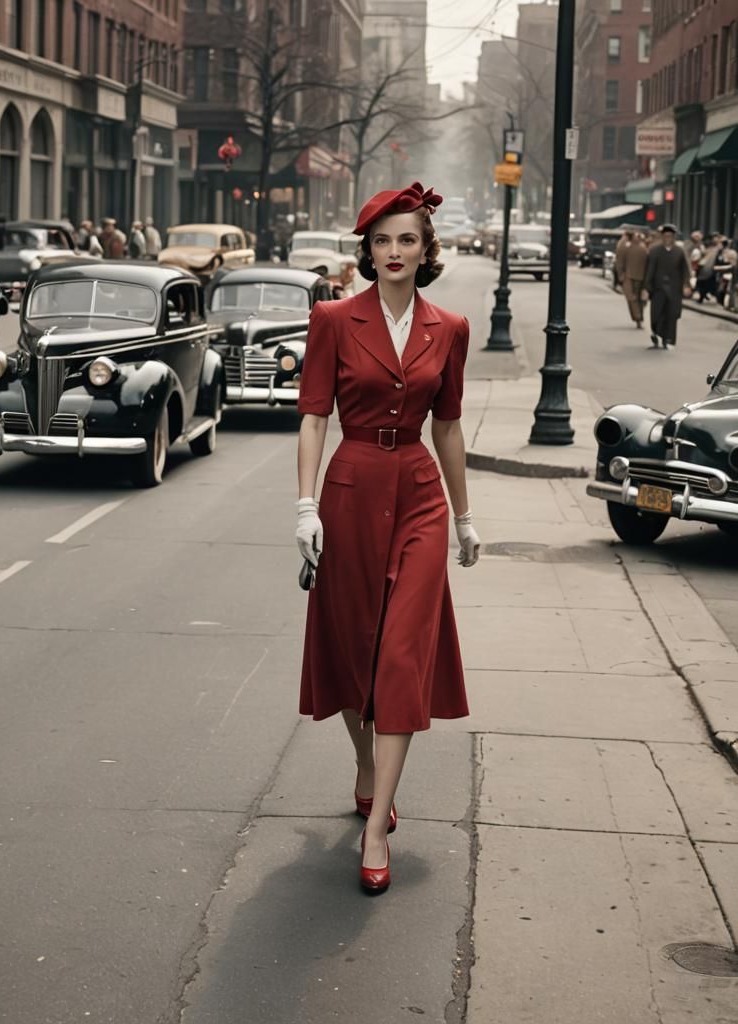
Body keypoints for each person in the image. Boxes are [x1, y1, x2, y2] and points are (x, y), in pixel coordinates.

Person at [294, 182, 478, 895]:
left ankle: (375, 832)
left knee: (401, 654)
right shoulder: (334, 319)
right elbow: (314, 417)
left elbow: (450, 426)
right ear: (366, 250)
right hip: (350, 488)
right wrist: (304, 507)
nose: (394, 252)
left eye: (407, 239)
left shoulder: (452, 327)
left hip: (420, 496)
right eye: (381, 240)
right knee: (351, 644)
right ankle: (369, 768)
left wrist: (464, 516)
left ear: (426, 248)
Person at [643, 223, 689, 349]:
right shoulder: (654, 251)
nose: (667, 239)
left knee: (671, 315)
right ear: (662, 237)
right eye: (665, 236)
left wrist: (686, 285)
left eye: (670, 236)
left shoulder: (679, 252)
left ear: (673, 237)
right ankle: (656, 333)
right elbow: (649, 270)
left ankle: (666, 339)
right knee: (656, 314)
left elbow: (685, 270)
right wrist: (646, 288)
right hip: (658, 289)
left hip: (674, 289)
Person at [622, 230, 648, 329]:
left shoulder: (627, 247)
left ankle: (638, 318)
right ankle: (639, 317)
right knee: (640, 299)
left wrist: (621, 274)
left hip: (630, 276)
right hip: (642, 277)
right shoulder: (644, 248)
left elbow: (621, 261)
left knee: (633, 298)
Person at [694, 233, 722, 303]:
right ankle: (703, 296)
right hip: (705, 267)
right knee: (704, 283)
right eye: (714, 238)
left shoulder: (718, 248)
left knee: (709, 284)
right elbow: (704, 254)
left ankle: (704, 296)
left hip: (711, 268)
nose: (715, 239)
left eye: (717, 238)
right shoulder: (709, 246)